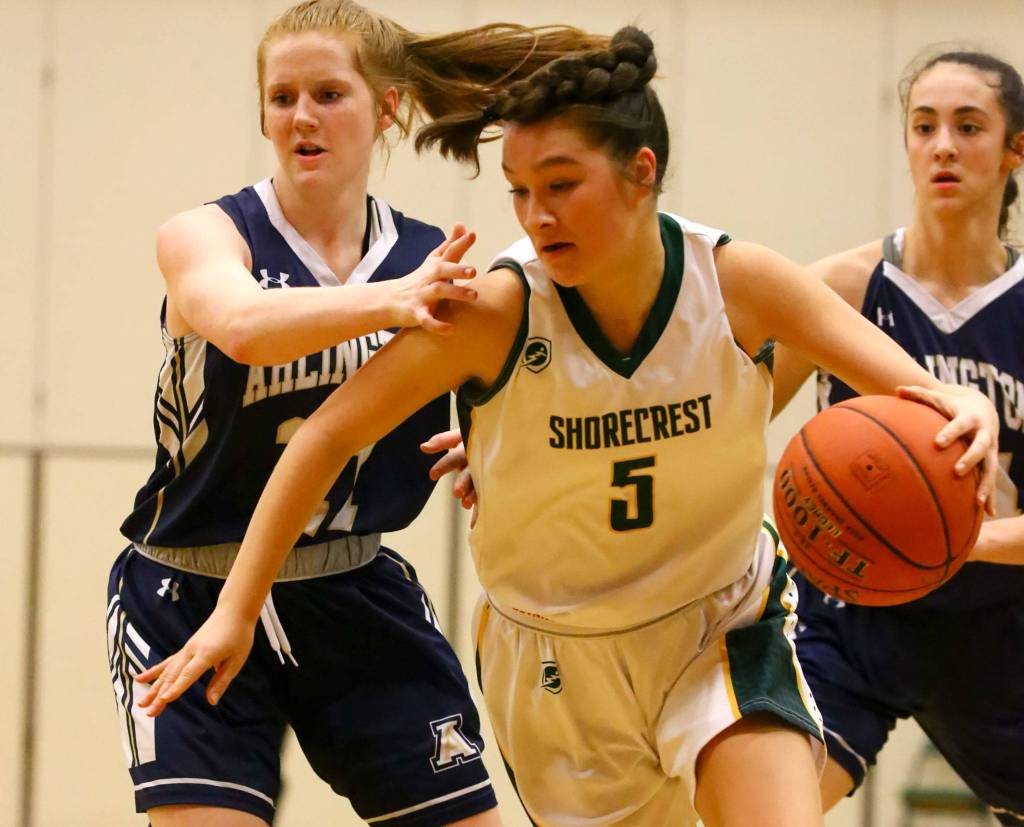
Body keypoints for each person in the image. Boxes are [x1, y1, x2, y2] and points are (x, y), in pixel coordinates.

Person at [139, 28, 1000, 827]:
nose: (537, 214)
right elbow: (324, 436)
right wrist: (237, 611)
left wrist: (961, 406)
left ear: (642, 172)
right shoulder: (498, 309)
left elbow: (918, 387)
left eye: (561, 186)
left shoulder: (737, 280)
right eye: (520, 191)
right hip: (557, 657)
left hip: (719, 625)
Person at [107, 2, 606, 825]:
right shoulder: (206, 235)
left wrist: (485, 446)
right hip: (188, 585)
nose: (300, 115)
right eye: (281, 96)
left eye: (329, 94)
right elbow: (241, 327)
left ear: (388, 110)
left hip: (351, 583)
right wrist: (395, 302)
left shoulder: (424, 261)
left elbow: (496, 390)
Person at [769, 50, 1024, 824]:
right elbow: (716, 418)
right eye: (924, 126)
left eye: (969, 126)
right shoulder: (842, 289)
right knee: (763, 808)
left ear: (1017, 149)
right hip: (854, 613)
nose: (943, 144)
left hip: (1003, 616)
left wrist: (959, 541)